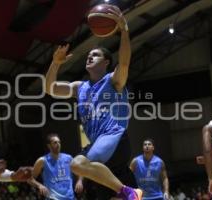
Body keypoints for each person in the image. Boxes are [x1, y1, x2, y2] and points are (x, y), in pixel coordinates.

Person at [45, 5, 142, 200]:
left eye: (96, 54)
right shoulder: (79, 87)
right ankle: (129, 191)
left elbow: (124, 62)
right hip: (98, 146)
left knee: (77, 164)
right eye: (89, 55)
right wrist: (55, 63)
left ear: (106, 62)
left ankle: (127, 191)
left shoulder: (114, 80)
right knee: (89, 174)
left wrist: (124, 30)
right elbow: (50, 89)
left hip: (115, 138)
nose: (90, 56)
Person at [28, 133, 83, 200]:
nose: (58, 144)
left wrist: (79, 181)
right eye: (55, 142)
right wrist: (40, 186)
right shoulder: (42, 161)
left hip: (70, 198)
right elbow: (29, 179)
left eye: (59, 142)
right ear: (49, 145)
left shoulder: (69, 158)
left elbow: (80, 171)